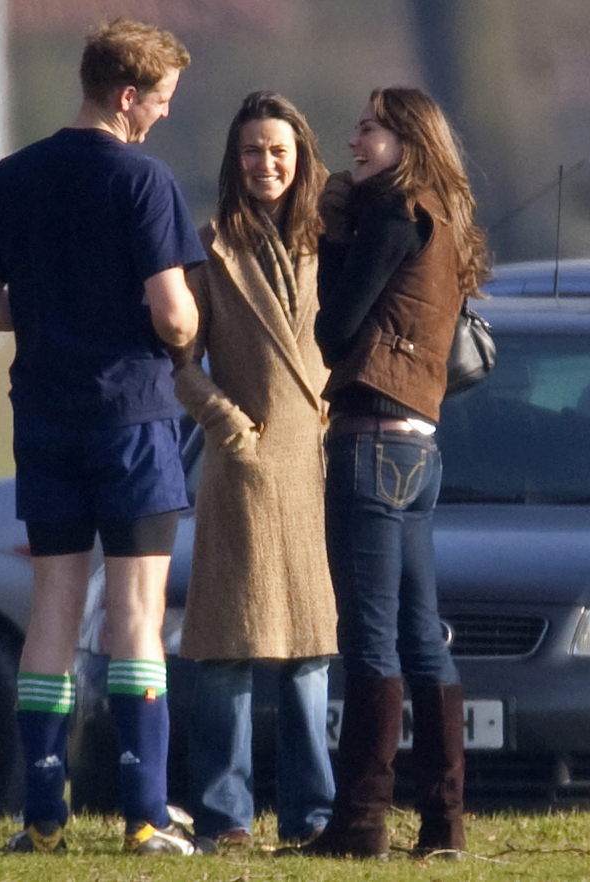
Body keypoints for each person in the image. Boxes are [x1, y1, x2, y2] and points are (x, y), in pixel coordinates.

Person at [0, 19, 206, 856]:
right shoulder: (142, 179)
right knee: (136, 613)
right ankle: (144, 814)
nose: (165, 114)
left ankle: (42, 816)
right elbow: (174, 315)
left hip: (44, 419)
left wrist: (52, 312)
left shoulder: (12, 175)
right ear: (127, 96)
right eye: (161, 100)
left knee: (53, 610)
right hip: (130, 419)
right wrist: (183, 327)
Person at [303, 87, 490, 859]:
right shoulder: (444, 216)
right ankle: (443, 824)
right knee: (422, 638)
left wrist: (332, 237)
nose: (354, 141)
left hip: (371, 441)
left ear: (407, 138)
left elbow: (335, 328)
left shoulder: (390, 210)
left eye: (369, 128)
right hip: (420, 447)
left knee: (371, 642)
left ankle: (359, 824)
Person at [173, 90, 338, 850]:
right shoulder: (210, 249)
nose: (264, 163)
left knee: (309, 651)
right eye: (251, 150)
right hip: (242, 469)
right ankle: (225, 817)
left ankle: (312, 816)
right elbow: (179, 363)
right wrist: (228, 426)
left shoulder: (331, 243)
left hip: (312, 467)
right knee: (227, 649)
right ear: (232, 160)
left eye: (278, 150)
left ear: (301, 157)